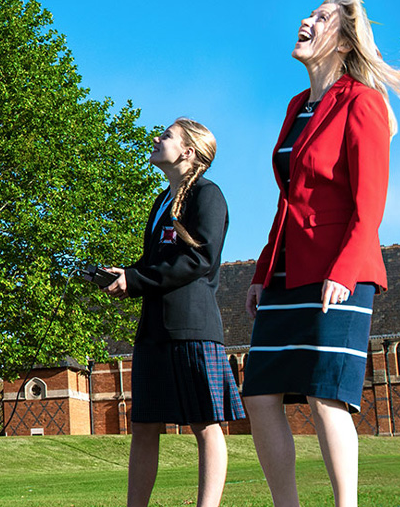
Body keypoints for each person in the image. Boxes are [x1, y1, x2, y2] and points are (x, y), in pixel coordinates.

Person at [242, 0, 400, 507]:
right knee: (258, 395)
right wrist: (262, 269)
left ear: (343, 40)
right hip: (285, 269)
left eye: (321, 18)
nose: (306, 20)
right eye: (308, 14)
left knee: (326, 396)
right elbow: (290, 197)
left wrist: (345, 269)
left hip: (340, 270)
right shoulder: (297, 106)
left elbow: (371, 201)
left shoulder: (362, 101)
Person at [102, 118, 242, 507]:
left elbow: (200, 258)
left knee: (205, 425)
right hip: (153, 330)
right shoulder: (161, 200)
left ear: (188, 152)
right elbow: (155, 262)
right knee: (144, 427)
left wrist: (138, 279)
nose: (156, 139)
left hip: (192, 329)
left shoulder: (208, 195)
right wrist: (124, 276)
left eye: (166, 136)